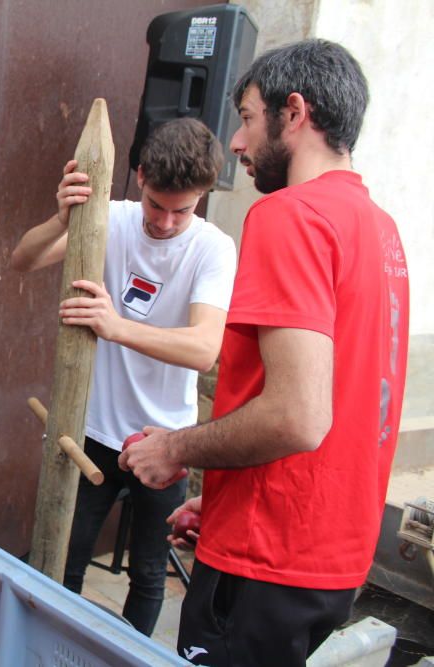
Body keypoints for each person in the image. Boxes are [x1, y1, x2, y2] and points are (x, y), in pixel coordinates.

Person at [121, 40, 410, 666]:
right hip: (334, 555)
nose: (237, 143)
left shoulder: (290, 215)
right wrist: (225, 495)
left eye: (249, 118)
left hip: (270, 559)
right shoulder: (380, 228)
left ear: (295, 113)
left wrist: (172, 448)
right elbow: (345, 402)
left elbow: (298, 416)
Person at [10, 118, 236, 636]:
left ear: (202, 196)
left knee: (149, 574)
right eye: (157, 204)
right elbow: (24, 260)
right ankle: (49, 647)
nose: (167, 221)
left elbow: (204, 350)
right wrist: (60, 219)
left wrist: (116, 327)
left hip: (167, 440)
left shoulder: (213, 248)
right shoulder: (109, 218)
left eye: (184, 208)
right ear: (138, 177)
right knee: (64, 562)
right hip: (92, 432)